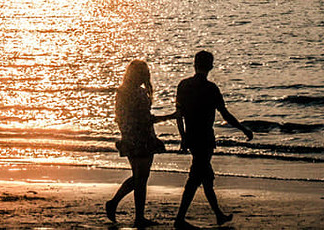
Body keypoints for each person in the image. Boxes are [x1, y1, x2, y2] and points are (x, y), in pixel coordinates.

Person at [174, 51, 253, 229]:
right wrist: (243, 129)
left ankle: (218, 215)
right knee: (195, 178)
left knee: (206, 177)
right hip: (205, 139)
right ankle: (180, 219)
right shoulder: (211, 89)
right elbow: (225, 114)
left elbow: (179, 115)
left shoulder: (183, 85)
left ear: (194, 64)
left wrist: (183, 137)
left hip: (192, 137)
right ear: (210, 66)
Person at [106, 59, 177, 227]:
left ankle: (122, 206)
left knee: (139, 177)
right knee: (141, 177)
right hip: (142, 138)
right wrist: (171, 116)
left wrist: (125, 134)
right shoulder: (137, 93)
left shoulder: (122, 91)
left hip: (131, 137)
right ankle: (131, 212)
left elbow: (120, 118)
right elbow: (146, 119)